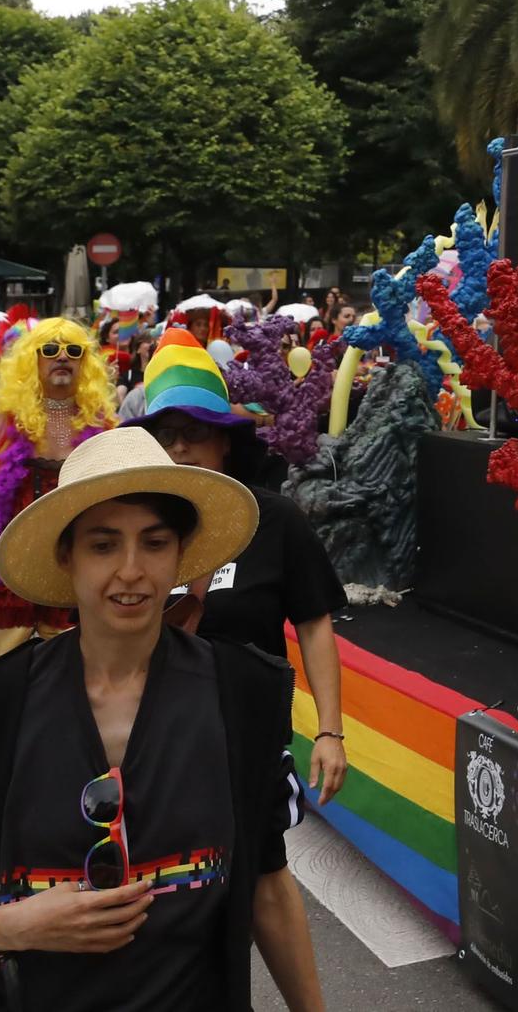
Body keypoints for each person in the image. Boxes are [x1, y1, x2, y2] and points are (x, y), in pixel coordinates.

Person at [0, 426, 326, 1010]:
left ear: (182, 554)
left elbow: (266, 881)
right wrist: (4, 929)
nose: (132, 571)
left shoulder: (244, 691)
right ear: (68, 556)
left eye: (155, 543)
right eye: (104, 545)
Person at [128, 329, 350, 804]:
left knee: (256, 870)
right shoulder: (131, 527)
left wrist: (331, 733)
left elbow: (313, 625)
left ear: (225, 441)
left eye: (195, 431)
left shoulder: (275, 520)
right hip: (146, 742)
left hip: (248, 742)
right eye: (166, 435)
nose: (180, 447)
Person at [0, 319, 115, 661]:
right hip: (10, 566)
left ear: (84, 362)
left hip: (77, 567)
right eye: (50, 350)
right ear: (33, 359)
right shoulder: (3, 416)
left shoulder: (100, 420)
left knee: (76, 676)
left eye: (73, 351)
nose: (62, 358)